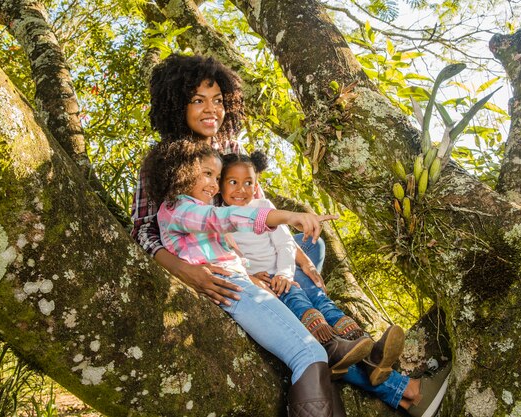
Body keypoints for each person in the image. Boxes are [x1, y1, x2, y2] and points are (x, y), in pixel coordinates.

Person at [218, 150, 452, 416]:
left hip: (284, 272)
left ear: (256, 182)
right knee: (309, 318)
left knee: (320, 302)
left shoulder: (264, 208)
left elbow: (284, 243)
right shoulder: (217, 218)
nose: (241, 189)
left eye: (248, 182)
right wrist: (250, 275)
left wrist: (290, 270)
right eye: (233, 182)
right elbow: (228, 255)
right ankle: (404, 390)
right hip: (268, 284)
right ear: (220, 184)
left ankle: (380, 364)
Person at [143, 139, 345, 414]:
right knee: (309, 354)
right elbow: (223, 218)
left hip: (242, 285)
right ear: (181, 172)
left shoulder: (188, 209)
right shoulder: (178, 208)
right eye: (206, 174)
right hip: (234, 290)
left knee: (318, 355)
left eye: (216, 177)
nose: (214, 185)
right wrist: (287, 216)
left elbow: (227, 242)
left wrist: (253, 275)